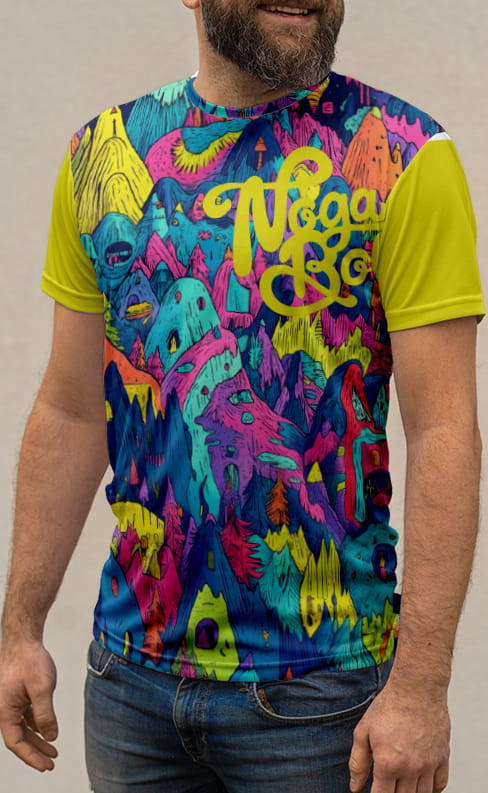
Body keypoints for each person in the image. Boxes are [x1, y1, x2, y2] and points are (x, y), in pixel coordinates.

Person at [0, 1, 484, 791]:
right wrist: (19, 627)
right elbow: (71, 408)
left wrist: (422, 688)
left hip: (324, 696)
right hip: (129, 682)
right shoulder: (105, 154)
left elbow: (444, 430)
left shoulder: (403, 155)